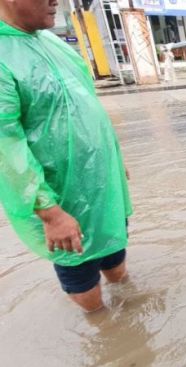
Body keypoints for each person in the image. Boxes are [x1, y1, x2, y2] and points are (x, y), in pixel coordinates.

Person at [0, 0, 132, 312]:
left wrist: (115, 160)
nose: (55, 1)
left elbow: (89, 107)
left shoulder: (52, 43)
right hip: (61, 201)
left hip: (103, 190)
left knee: (118, 267)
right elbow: (7, 148)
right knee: (90, 297)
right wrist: (50, 212)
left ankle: (128, 320)